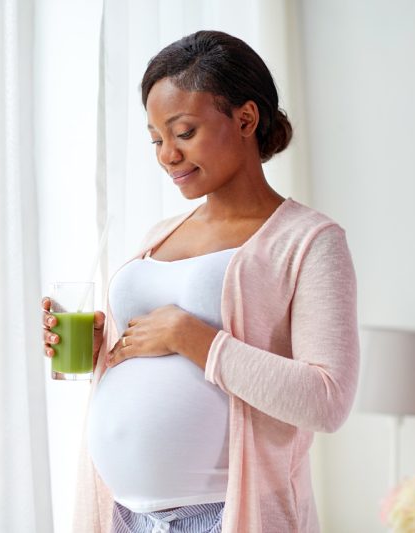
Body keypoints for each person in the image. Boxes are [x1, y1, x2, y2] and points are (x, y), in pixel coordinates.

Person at [42, 30, 359, 533]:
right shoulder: (159, 236)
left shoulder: (308, 240)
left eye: (183, 132)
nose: (167, 154)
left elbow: (327, 400)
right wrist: (104, 348)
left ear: (246, 119)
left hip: (223, 516)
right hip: (125, 514)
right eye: (155, 139)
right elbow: (148, 357)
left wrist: (193, 338)